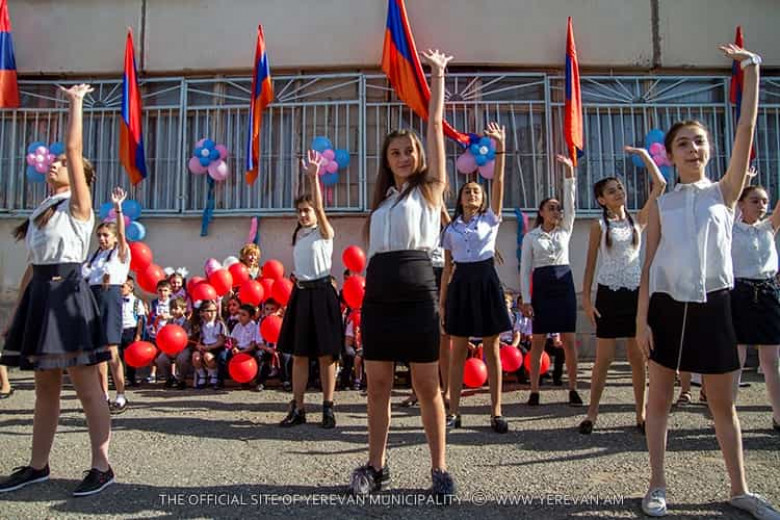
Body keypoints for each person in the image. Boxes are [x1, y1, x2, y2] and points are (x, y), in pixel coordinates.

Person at [636, 44, 780, 519]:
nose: (692, 149)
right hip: (666, 307)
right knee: (659, 400)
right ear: (671, 155)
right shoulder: (662, 203)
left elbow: (746, 128)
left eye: (699, 141)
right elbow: (648, 264)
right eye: (683, 143)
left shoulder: (725, 191)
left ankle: (740, 488)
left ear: (709, 149)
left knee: (723, 405)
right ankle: (657, 484)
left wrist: (752, 70)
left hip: (715, 305)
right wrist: (641, 321)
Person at [349, 49, 455, 499]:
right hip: (379, 294)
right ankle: (376, 467)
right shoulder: (383, 202)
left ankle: (440, 470)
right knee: (377, 387)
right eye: (395, 152)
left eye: (409, 150)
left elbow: (434, 125)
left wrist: (437, 75)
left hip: (417, 292)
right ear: (387, 160)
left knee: (427, 385)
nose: (404, 156)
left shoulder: (430, 190)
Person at [0, 84, 115, 496]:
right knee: (44, 388)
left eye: (64, 163)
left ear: (82, 176)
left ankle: (101, 466)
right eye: (55, 162)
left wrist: (76, 103)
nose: (55, 164)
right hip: (40, 296)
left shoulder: (79, 206)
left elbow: (73, 145)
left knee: (87, 387)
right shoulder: (43, 208)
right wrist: (17, 312)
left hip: (67, 294)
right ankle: (38, 465)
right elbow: (33, 266)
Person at [578, 147, 667, 435]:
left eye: (620, 188)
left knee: (637, 357)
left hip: (635, 294)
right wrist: (587, 300)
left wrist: (644, 155)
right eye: (611, 191)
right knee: (603, 359)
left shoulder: (638, 220)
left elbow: (660, 185)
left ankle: (640, 413)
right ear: (601, 199)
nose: (618, 193)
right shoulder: (598, 226)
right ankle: (591, 413)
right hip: (608, 294)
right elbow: (590, 265)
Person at [440, 122, 511, 433]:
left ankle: (496, 412)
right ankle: (454, 411)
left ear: (483, 200)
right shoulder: (450, 229)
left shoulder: (490, 219)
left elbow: (500, 181)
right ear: (460, 198)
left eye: (477, 191)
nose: (471, 193)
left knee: (492, 348)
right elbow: (448, 268)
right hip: (461, 284)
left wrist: (500, 148)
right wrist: (443, 302)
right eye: (467, 190)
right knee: (457, 349)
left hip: (485, 280)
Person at [277, 150, 342, 429]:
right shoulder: (299, 234)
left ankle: (328, 407)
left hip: (322, 293)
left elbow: (320, 206)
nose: (304, 214)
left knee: (327, 355)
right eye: (300, 211)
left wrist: (314, 178)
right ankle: (299, 407)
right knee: (300, 354)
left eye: (308, 210)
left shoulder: (324, 231)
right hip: (301, 295)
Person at [520, 154, 581, 407]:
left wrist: (568, 173)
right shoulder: (531, 237)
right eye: (551, 208)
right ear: (542, 212)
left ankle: (573, 388)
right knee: (538, 340)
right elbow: (525, 269)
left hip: (564, 283)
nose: (557, 211)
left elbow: (571, 203)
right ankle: (534, 390)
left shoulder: (565, 230)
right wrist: (526, 299)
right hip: (543, 285)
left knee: (568, 340)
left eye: (558, 208)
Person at [731, 182, 780, 431]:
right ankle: (727, 415)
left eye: (764, 201)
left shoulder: (768, 227)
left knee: (771, 360)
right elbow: (727, 200)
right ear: (741, 204)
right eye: (754, 201)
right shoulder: (731, 229)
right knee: (736, 359)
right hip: (740, 292)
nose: (761, 205)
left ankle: (779, 415)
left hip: (768, 292)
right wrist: (741, 179)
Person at [83, 187, 132, 415]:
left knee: (111, 350)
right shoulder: (94, 257)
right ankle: (102, 396)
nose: (102, 239)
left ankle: (121, 394)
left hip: (110, 298)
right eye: (100, 235)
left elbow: (121, 235)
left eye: (106, 235)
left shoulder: (120, 253)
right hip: (93, 299)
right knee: (98, 353)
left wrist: (118, 208)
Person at [190, 300, 227, 390]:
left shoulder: (219, 324)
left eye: (214, 310)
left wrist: (208, 347)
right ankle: (202, 376)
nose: (212, 313)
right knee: (195, 356)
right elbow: (200, 338)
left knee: (208, 357)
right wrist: (199, 345)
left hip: (215, 347)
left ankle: (213, 374)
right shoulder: (201, 324)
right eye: (209, 311)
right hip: (204, 346)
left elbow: (221, 341)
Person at [119, 276, 145, 388]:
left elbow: (140, 319)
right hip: (118, 330)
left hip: (130, 330)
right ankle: (119, 379)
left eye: (122, 286)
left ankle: (131, 378)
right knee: (118, 356)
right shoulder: (116, 300)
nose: (120, 289)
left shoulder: (137, 301)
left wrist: (138, 334)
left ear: (130, 287)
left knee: (131, 357)